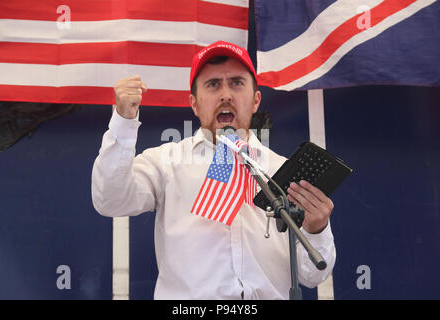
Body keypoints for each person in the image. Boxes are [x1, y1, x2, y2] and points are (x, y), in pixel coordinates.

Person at [91, 41, 336, 300]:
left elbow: (313, 275)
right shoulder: (166, 162)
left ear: (255, 100)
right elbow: (110, 200)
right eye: (213, 84)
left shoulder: (283, 171)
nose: (226, 94)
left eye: (237, 83)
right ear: (194, 104)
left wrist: (317, 229)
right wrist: (123, 123)